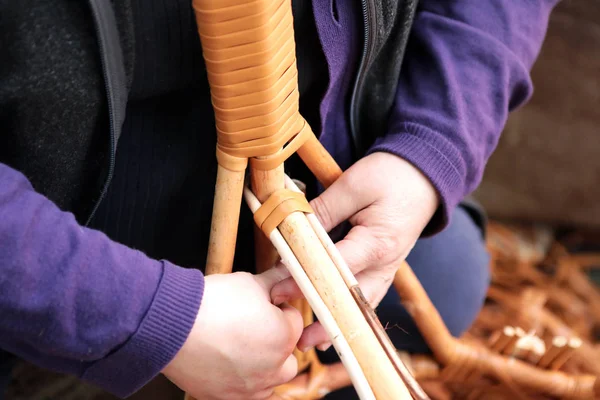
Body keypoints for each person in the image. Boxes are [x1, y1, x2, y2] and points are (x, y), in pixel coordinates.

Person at [0, 0, 559, 399]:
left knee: (450, 275)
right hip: (69, 252)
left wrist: (434, 143)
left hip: (324, 169)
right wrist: (150, 318)